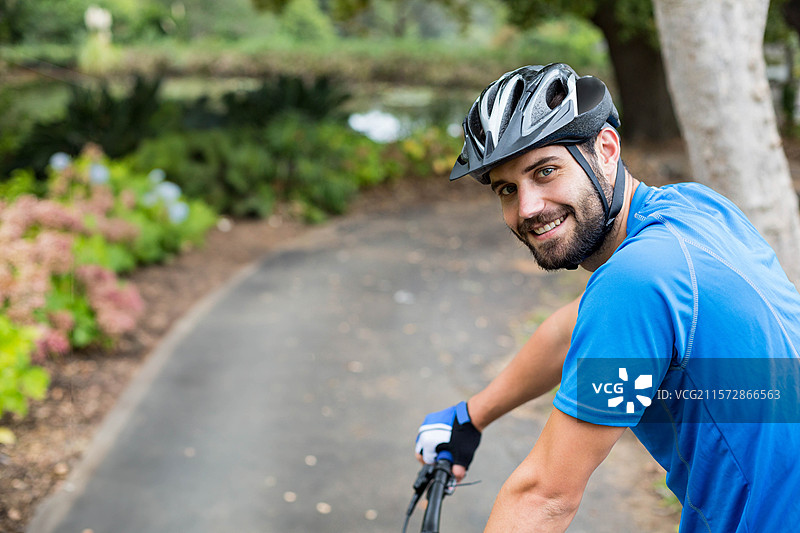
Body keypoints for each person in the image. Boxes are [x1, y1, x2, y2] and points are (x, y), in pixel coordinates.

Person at [414, 62, 800, 532]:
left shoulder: (634, 281)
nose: (528, 207)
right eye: (507, 190)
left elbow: (544, 497)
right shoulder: (697, 208)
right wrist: (472, 416)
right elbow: (574, 327)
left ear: (606, 148)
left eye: (546, 171)